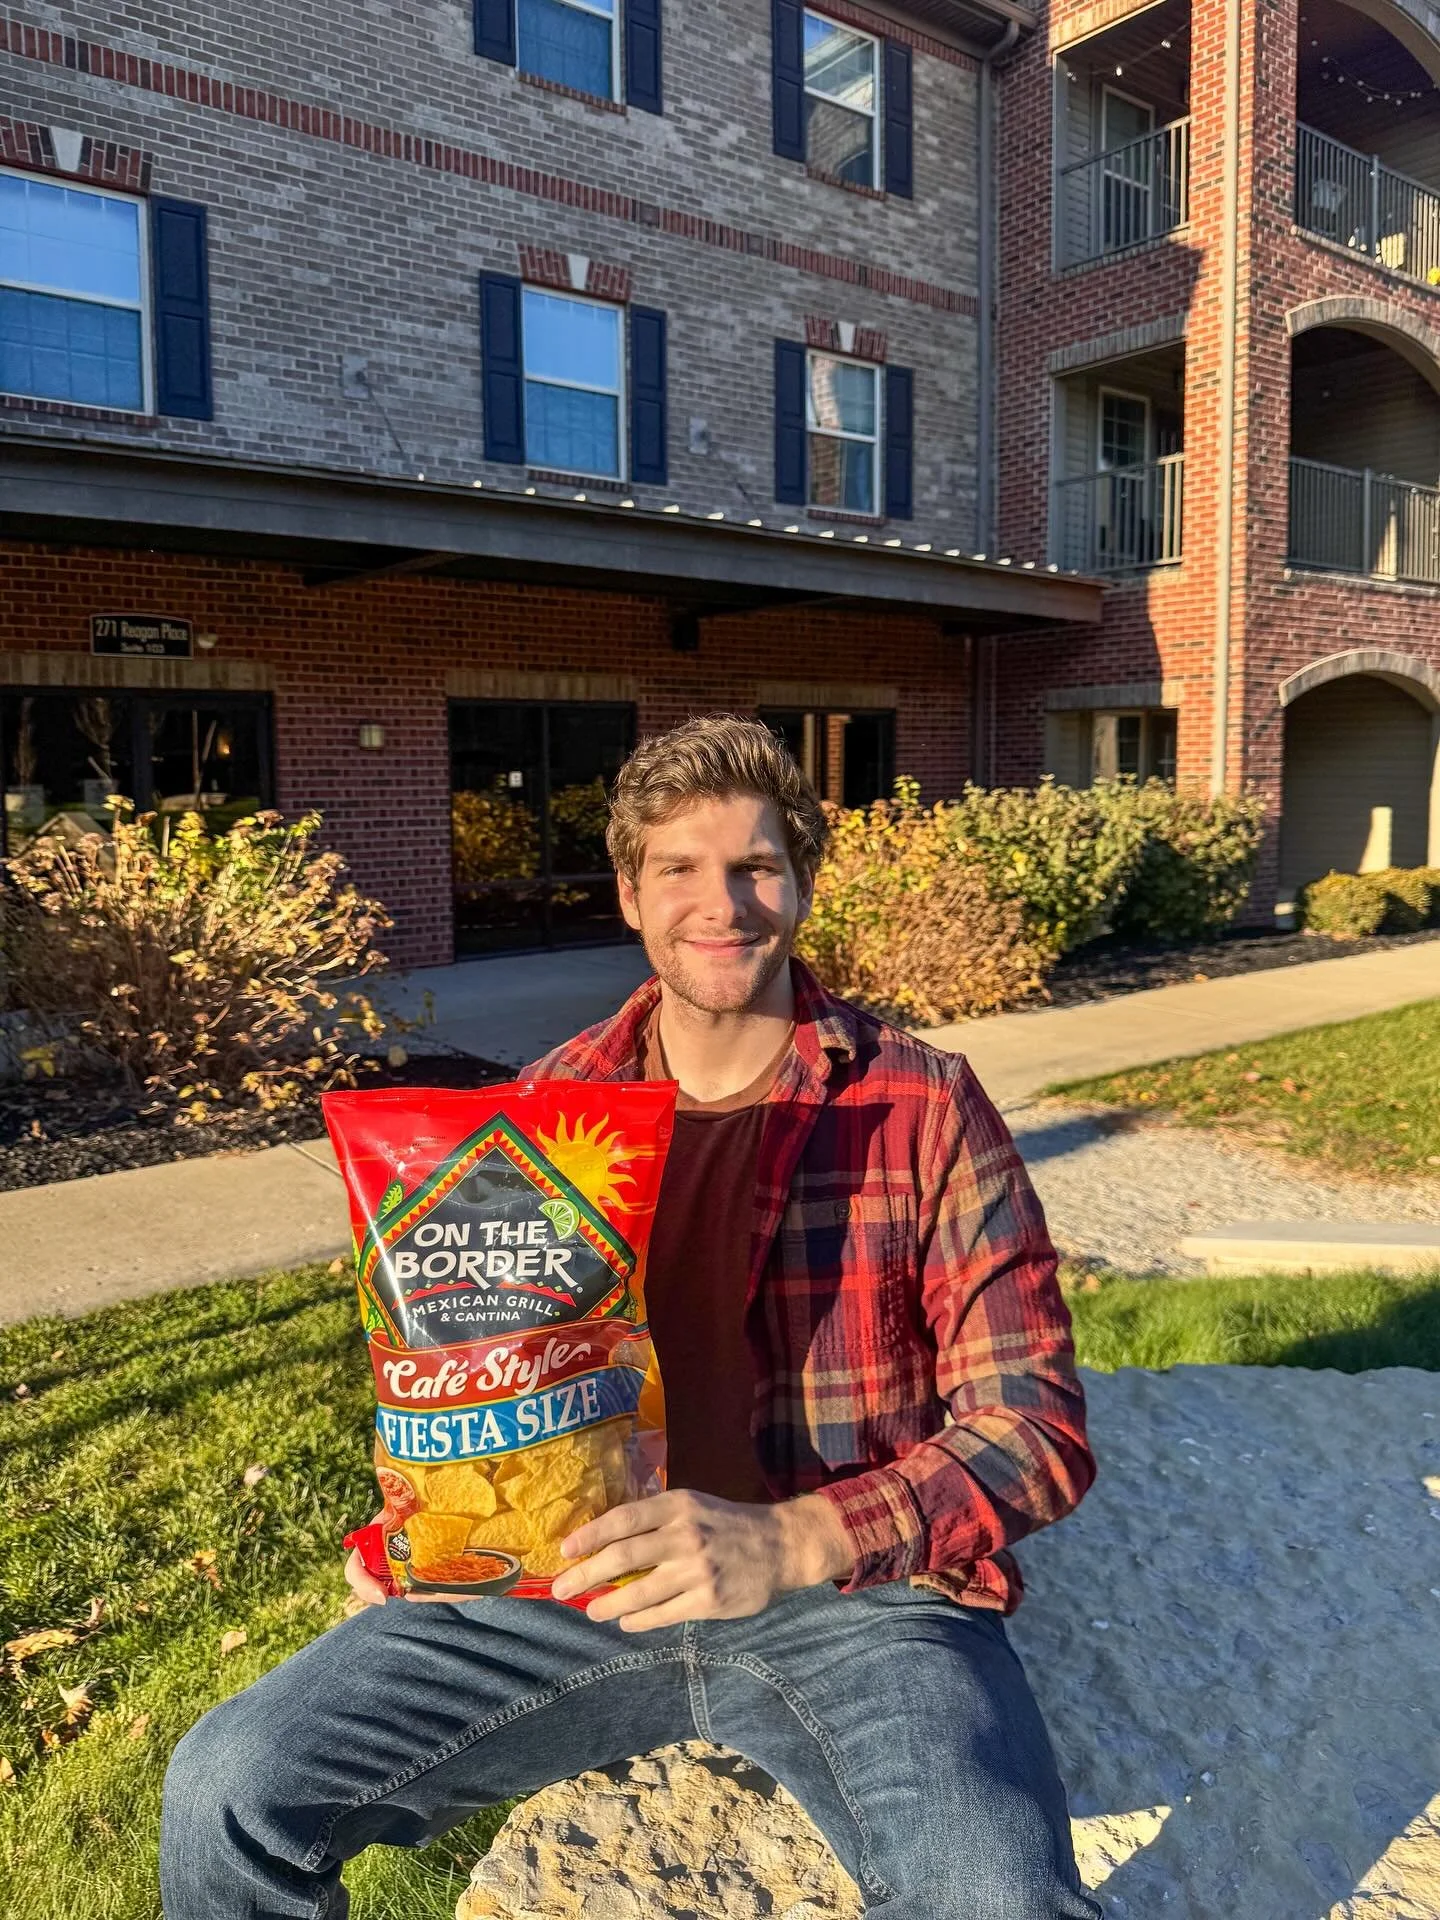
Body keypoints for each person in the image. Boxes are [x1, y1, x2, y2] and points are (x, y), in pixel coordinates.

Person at [160, 714, 1103, 1919]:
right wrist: (416, 1533)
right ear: (629, 893)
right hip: (575, 1595)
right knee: (228, 1788)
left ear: (801, 884)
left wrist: (793, 1541)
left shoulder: (922, 1101)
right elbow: (482, 1364)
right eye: (682, 870)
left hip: (857, 1605)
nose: (725, 903)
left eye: (757, 866)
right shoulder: (548, 1110)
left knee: (993, 1899)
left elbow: (1035, 1431)